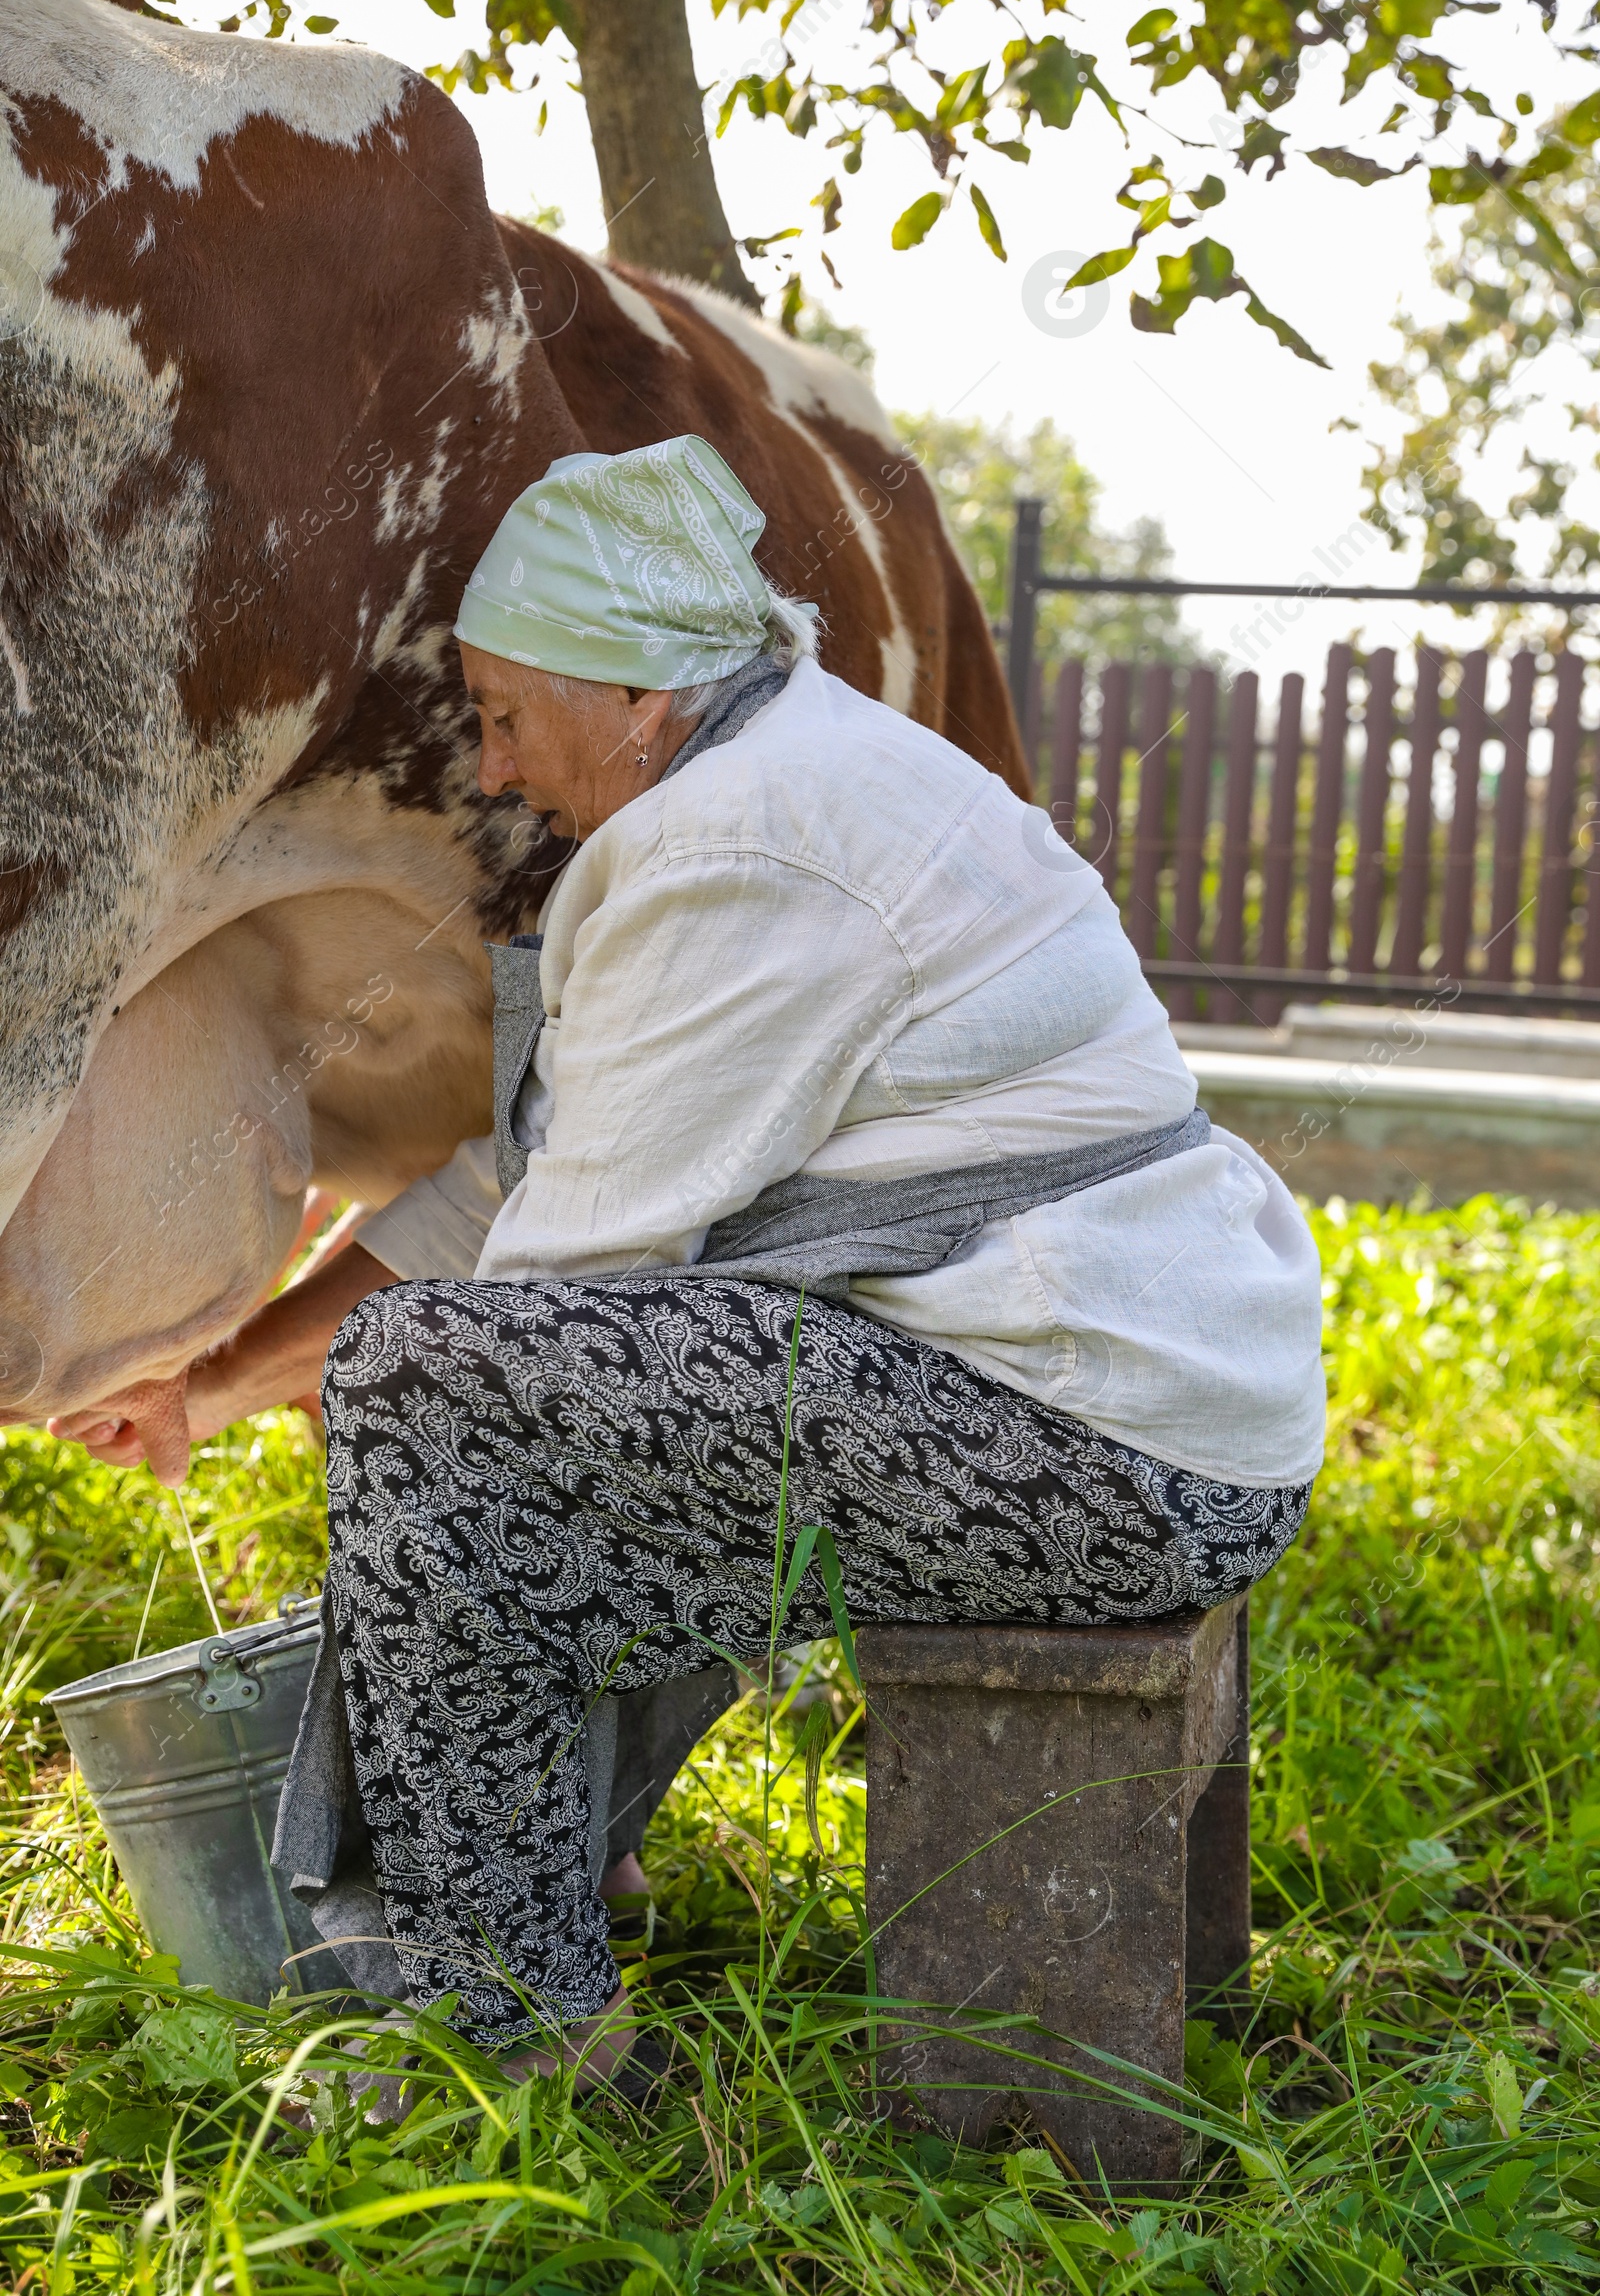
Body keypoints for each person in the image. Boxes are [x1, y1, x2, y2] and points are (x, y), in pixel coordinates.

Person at [58, 435, 1325, 2089]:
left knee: (438, 1397)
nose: (498, 768)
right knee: (466, 1403)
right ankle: (546, 1891)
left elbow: (553, 1290)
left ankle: (506, 2025)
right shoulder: (780, 772)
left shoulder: (745, 843)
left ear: (638, 697)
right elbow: (522, 1193)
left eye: (510, 714)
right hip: (1102, 1405)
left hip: (1097, 1452)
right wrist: (217, 1385)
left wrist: (355, 1421)